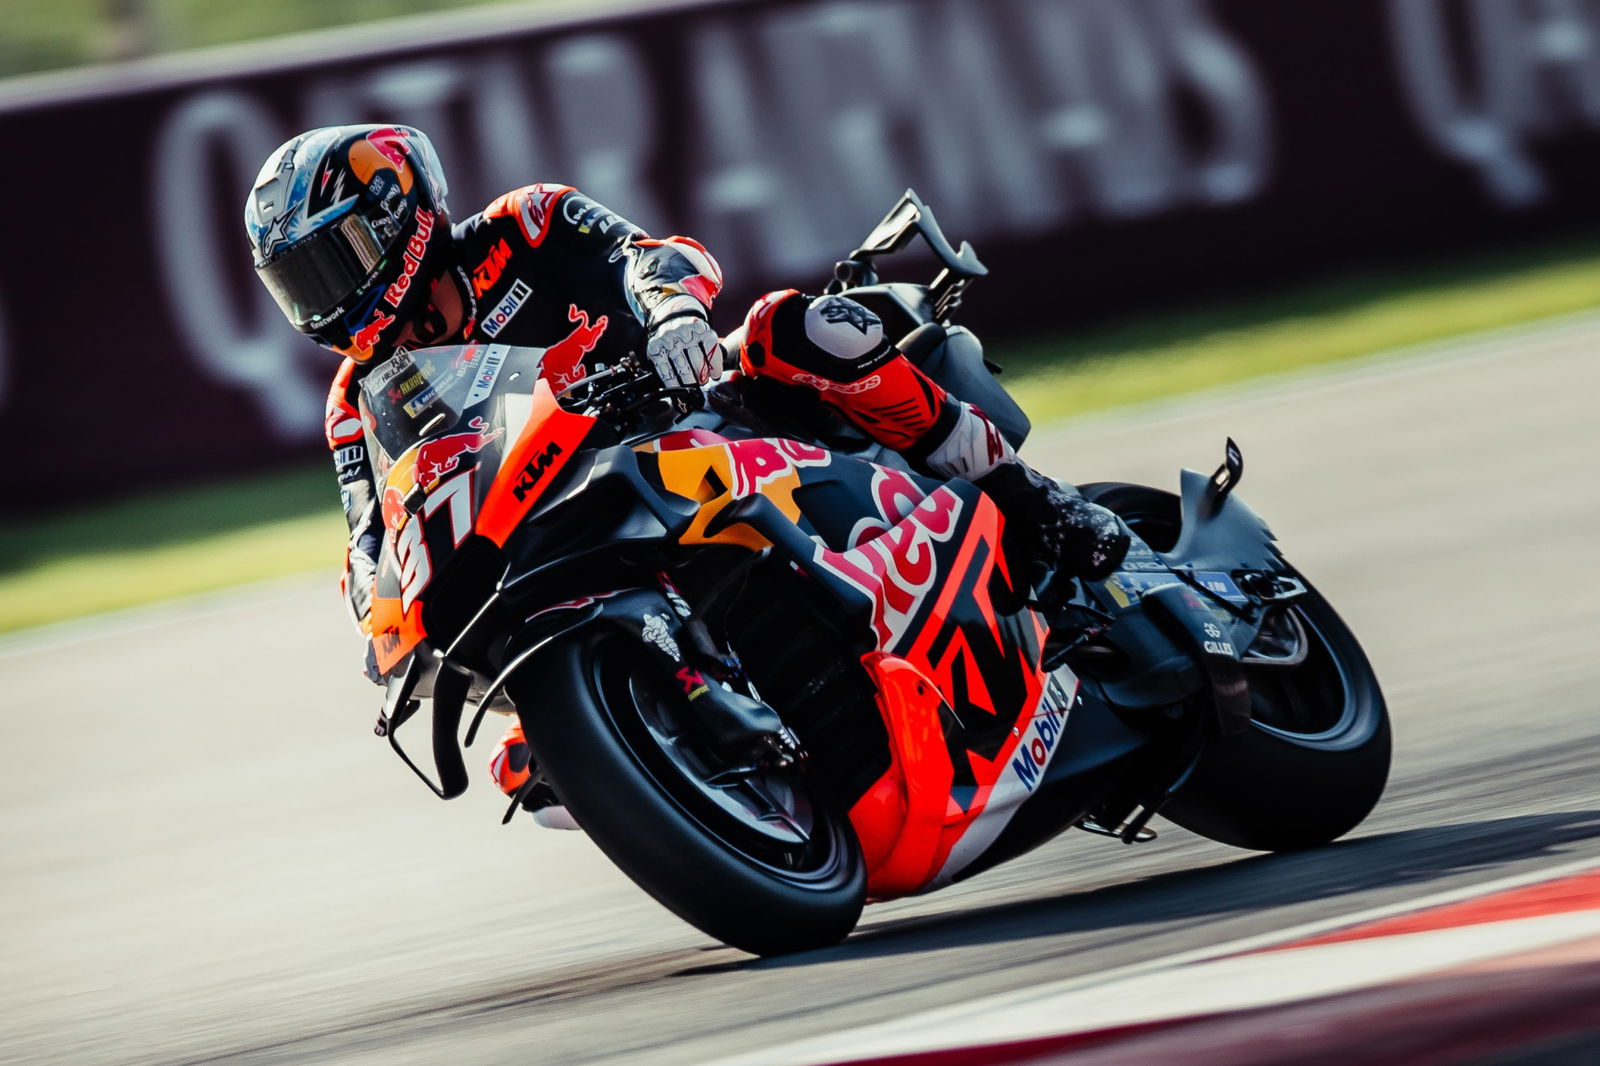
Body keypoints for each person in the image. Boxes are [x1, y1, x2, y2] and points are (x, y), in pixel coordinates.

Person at [245, 124, 1128, 823]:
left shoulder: (526, 225)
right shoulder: (357, 398)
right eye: (299, 283)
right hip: (556, 521)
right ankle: (661, 739)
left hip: (698, 410)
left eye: (336, 260)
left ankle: (1030, 498)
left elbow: (653, 259)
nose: (322, 298)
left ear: (398, 216)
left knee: (792, 326)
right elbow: (375, 527)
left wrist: (669, 316)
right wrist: (379, 612)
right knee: (519, 756)